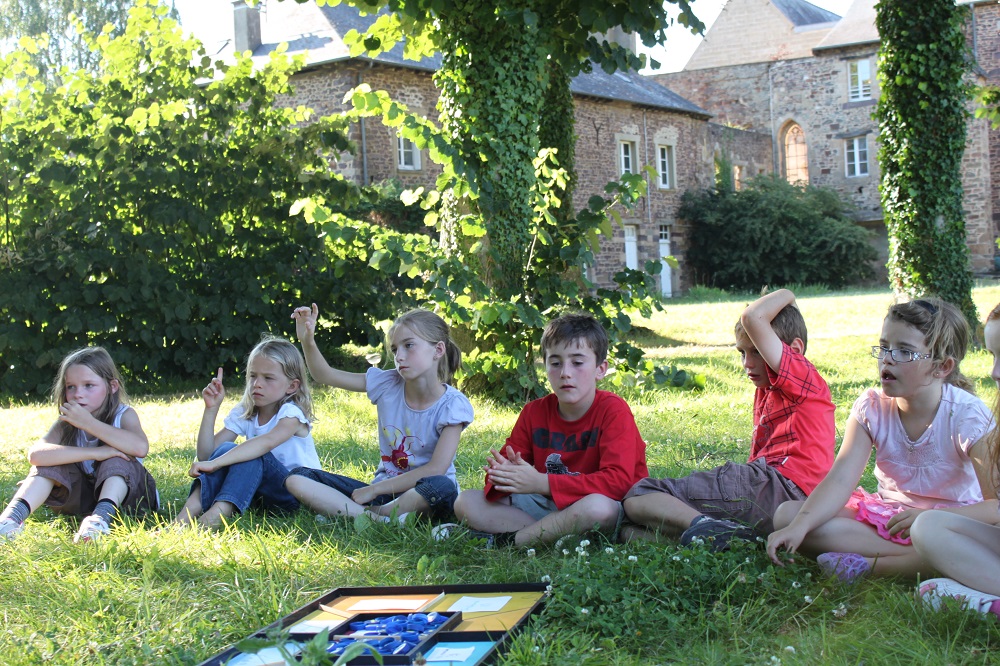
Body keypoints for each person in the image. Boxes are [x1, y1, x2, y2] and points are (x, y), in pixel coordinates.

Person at [766, 298, 995, 582]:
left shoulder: (966, 415)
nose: (887, 358)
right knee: (787, 516)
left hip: (948, 526)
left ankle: (876, 567)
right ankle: (916, 562)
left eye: (904, 352)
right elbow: (839, 481)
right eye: (885, 347)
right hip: (889, 520)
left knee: (937, 539)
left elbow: (995, 505)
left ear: (942, 367)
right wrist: (799, 526)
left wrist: (930, 521)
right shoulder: (872, 408)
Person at [622, 289, 835, 550]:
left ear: (795, 351)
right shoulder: (768, 390)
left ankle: (706, 527)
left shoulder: (802, 379)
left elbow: (753, 317)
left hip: (779, 487)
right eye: (742, 353)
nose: (747, 363)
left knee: (639, 495)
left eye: (756, 351)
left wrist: (789, 294)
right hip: (784, 500)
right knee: (630, 531)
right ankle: (728, 538)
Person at [434, 312, 648, 548]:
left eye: (577, 362)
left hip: (596, 506)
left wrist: (542, 483)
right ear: (545, 365)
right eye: (555, 363)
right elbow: (503, 476)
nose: (565, 372)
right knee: (466, 502)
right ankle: (556, 534)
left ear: (600, 369)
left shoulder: (613, 411)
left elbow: (619, 482)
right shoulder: (534, 412)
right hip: (547, 506)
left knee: (598, 508)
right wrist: (503, 475)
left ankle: (507, 542)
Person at [284, 305, 473, 526]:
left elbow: (436, 469)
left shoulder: (453, 405)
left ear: (438, 350)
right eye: (394, 350)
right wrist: (307, 340)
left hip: (428, 496)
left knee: (442, 485)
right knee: (297, 477)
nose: (399, 356)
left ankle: (365, 513)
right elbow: (324, 375)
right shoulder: (387, 383)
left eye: (409, 346)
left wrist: (373, 490)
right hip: (385, 494)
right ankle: (380, 518)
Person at [0, 347, 158, 543]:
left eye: (88, 385)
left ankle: (99, 521)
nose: (77, 394)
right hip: (81, 500)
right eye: (70, 387)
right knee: (52, 460)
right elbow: (36, 456)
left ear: (112, 386)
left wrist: (89, 423)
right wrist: (96, 453)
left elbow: (140, 448)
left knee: (116, 459)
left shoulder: (123, 415)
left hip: (128, 499)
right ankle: (9, 520)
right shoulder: (66, 422)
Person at [909, 302, 1000, 616]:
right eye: (993, 356)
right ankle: (985, 597)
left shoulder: (971, 416)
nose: (995, 372)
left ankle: (980, 598)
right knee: (928, 527)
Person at [174, 336, 319, 529]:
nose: (257, 384)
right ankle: (184, 516)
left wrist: (215, 463)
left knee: (253, 454)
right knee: (228, 448)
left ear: (292, 386)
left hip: (293, 497)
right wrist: (211, 409)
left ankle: (215, 516)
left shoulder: (292, 414)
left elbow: (265, 443)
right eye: (252, 376)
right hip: (258, 495)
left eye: (268, 378)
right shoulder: (247, 411)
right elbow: (206, 455)